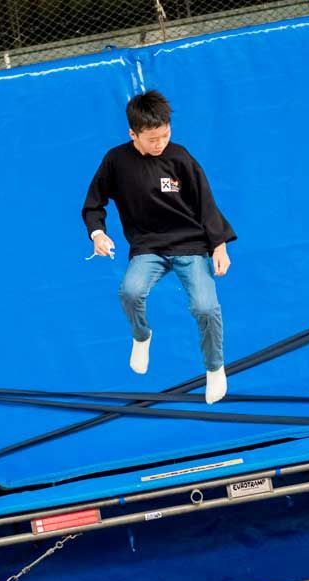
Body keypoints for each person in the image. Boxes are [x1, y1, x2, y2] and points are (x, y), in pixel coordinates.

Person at [81, 89, 237, 404]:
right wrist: (98, 234)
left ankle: (215, 367)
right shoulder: (116, 161)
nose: (159, 143)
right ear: (133, 134)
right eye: (152, 139)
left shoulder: (180, 157)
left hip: (190, 244)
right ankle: (142, 336)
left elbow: (206, 203)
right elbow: (94, 203)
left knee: (206, 308)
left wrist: (219, 246)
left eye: (165, 135)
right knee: (130, 291)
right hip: (148, 246)